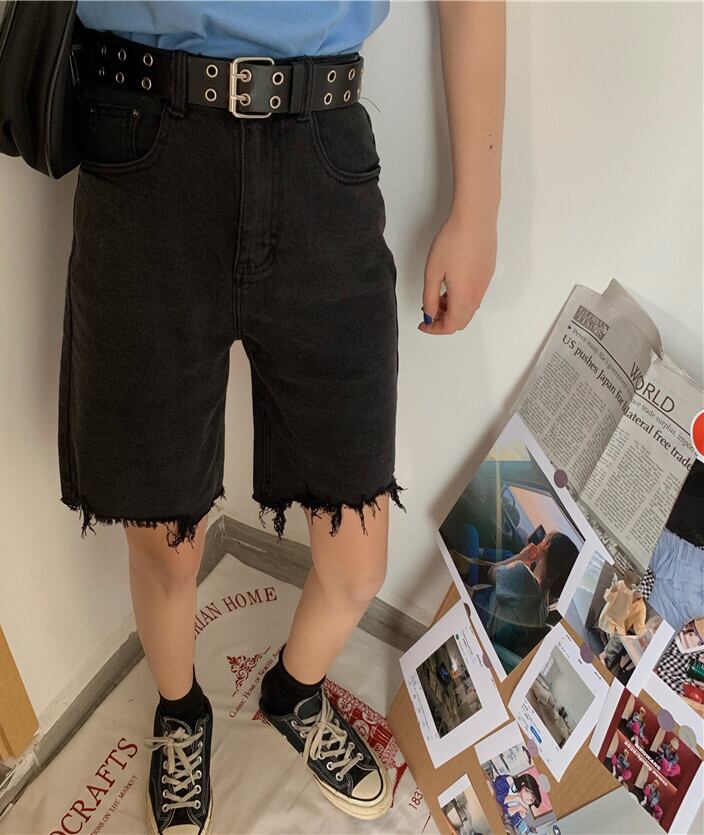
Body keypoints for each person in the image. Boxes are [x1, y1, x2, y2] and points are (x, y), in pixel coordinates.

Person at [58, 2, 504, 833]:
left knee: (356, 562)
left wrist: (478, 210)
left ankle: (293, 691)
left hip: (321, 151)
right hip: (141, 143)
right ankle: (181, 710)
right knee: (165, 543)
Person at [472, 531, 579, 657]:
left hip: (480, 615)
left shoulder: (522, 574)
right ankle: (478, 551)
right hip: (497, 635)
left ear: (546, 546)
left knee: (469, 532)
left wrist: (520, 557)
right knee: (507, 554)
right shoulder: (544, 605)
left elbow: (491, 572)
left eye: (544, 539)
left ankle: (477, 552)